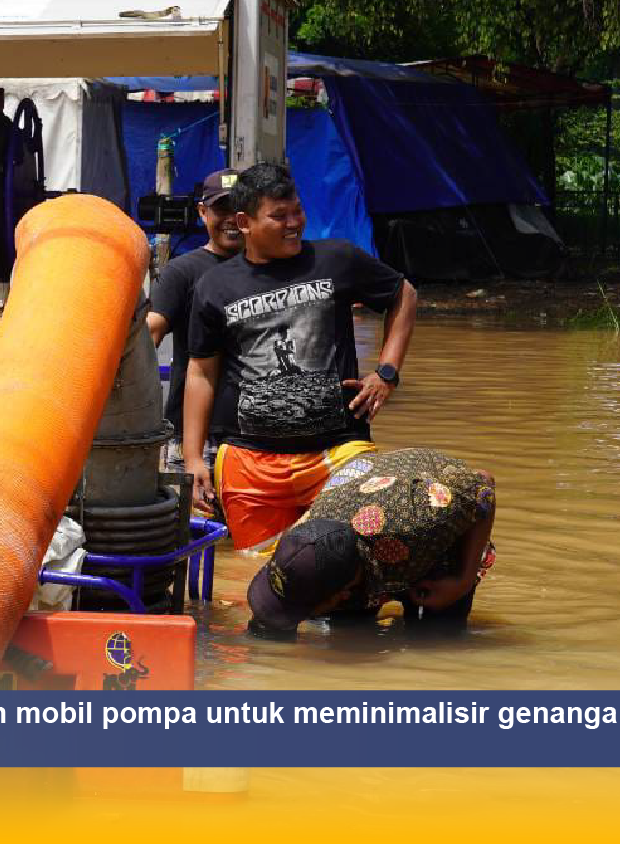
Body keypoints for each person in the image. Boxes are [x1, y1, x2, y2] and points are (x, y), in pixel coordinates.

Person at [181, 161, 418, 552]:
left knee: (351, 556)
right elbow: (201, 374)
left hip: (339, 448)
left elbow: (402, 293)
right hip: (247, 460)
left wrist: (386, 373)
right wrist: (192, 458)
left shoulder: (335, 259)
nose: (294, 223)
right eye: (279, 216)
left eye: (297, 212)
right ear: (244, 222)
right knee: (258, 578)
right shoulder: (214, 285)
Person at [245, 446, 496, 637]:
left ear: (340, 594)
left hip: (433, 543)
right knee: (349, 636)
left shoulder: (422, 522)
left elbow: (483, 487)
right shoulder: (302, 537)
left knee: (437, 638)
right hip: (366, 550)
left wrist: (461, 581)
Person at [145, 168, 245, 474]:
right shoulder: (181, 272)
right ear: (203, 213)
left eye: (239, 207)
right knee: (187, 521)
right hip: (193, 434)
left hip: (254, 433)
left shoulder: (271, 271)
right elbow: (150, 334)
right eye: (221, 208)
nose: (231, 218)